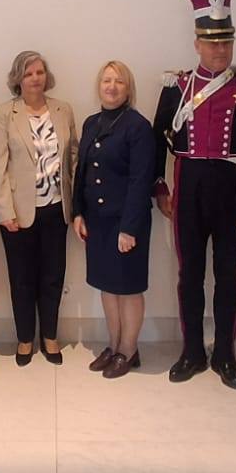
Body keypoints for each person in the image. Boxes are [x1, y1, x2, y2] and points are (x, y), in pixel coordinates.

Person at [152, 0, 236, 391]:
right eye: (211, 41)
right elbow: (157, 139)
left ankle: (225, 353)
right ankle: (192, 351)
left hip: (232, 188)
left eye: (225, 41)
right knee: (189, 274)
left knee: (229, 275)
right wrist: (160, 187)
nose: (219, 49)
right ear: (197, 43)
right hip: (188, 185)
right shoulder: (177, 87)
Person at [0, 50, 78, 365]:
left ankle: (49, 336)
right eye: (28, 73)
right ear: (18, 78)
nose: (35, 78)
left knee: (53, 276)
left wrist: (76, 202)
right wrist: (4, 211)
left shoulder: (63, 110)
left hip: (56, 207)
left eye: (39, 72)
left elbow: (73, 156)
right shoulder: (3, 113)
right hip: (18, 212)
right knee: (22, 278)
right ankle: (25, 338)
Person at [73, 60, 156, 378]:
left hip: (125, 222)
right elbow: (81, 171)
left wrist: (129, 228)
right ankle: (114, 345)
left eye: (119, 81)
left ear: (128, 88)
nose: (111, 86)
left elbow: (140, 180)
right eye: (106, 80)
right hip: (98, 221)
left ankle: (129, 349)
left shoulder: (138, 126)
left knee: (128, 288)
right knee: (108, 286)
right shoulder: (91, 123)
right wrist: (78, 212)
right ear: (99, 86)